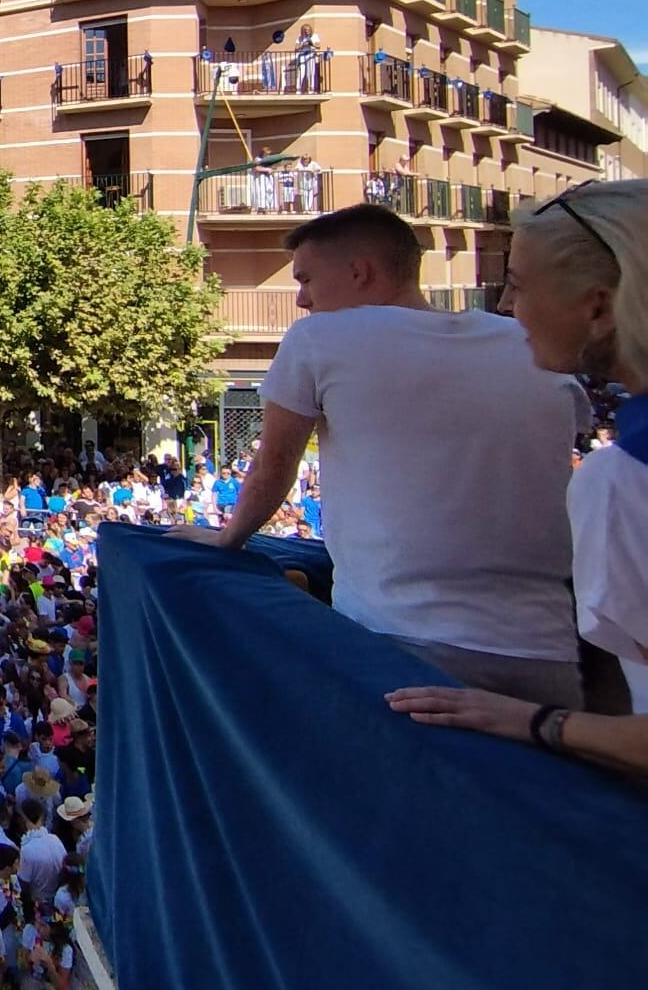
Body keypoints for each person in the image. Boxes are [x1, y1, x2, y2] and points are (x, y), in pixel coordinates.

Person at [186, 204, 588, 706]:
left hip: (402, 639)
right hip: (550, 652)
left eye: (307, 279)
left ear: (360, 272)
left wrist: (228, 537)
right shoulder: (527, 342)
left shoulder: (319, 338)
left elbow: (274, 465)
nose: (301, 299)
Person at [391, 182, 648, 767]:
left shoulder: (622, 481)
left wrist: (534, 720)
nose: (507, 307)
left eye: (519, 285)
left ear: (599, 307)